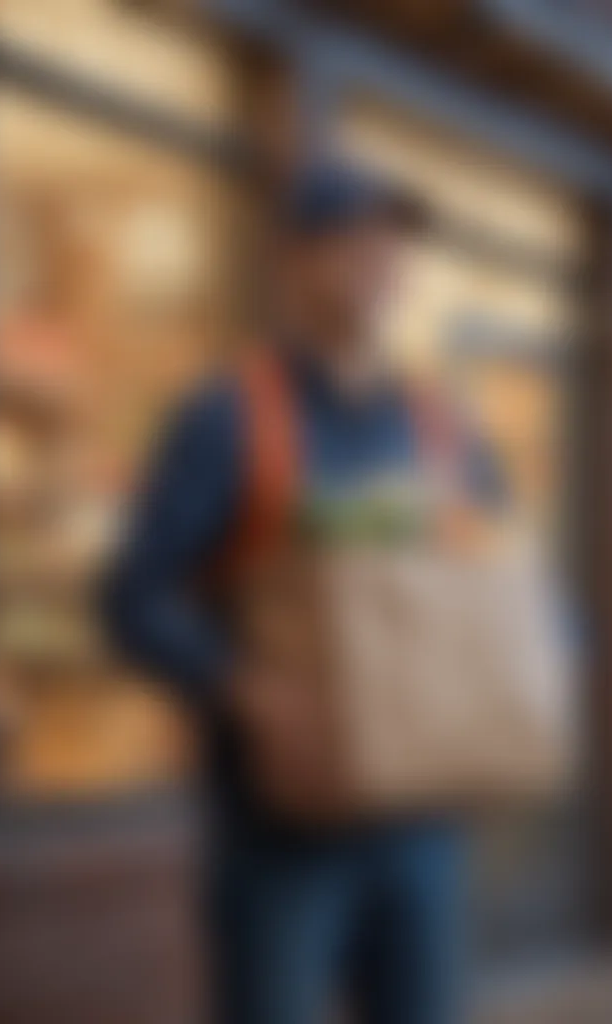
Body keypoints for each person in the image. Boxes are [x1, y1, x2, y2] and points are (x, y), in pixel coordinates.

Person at [102, 164, 500, 1024]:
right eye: (351, 239)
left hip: (420, 829)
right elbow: (130, 599)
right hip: (279, 836)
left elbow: (513, 594)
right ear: (292, 264)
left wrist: (525, 664)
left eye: (392, 243)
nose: (379, 260)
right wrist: (238, 684)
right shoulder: (227, 415)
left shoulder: (442, 428)